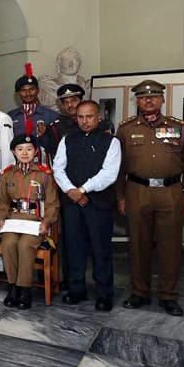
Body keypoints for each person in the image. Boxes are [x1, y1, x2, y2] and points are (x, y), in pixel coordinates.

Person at [116, 79, 184, 316]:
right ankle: (139, 293)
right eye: (143, 97)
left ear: (162, 99)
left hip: (170, 193)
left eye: (154, 95)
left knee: (170, 247)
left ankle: (168, 296)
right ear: (137, 101)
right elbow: (119, 168)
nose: (149, 100)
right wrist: (120, 197)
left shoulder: (179, 127)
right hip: (137, 192)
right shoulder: (126, 129)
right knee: (138, 246)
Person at [53, 100, 120, 311]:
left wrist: (82, 190)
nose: (85, 121)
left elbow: (109, 174)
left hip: (98, 204)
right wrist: (71, 192)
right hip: (72, 204)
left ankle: (104, 294)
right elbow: (58, 168)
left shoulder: (111, 141)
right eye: (81, 117)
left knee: (101, 250)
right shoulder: (67, 139)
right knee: (73, 247)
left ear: (98, 117)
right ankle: (76, 290)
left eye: (89, 116)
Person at [0, 134, 59, 309]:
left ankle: (25, 290)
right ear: (14, 152)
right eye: (20, 149)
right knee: (8, 243)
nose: (24, 153)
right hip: (13, 220)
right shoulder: (7, 175)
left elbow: (53, 204)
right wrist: (0, 219)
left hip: (35, 222)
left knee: (25, 245)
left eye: (29, 149)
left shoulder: (44, 175)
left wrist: (47, 222)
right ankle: (12, 287)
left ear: (36, 152)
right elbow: (1, 201)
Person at [7, 64, 59, 153]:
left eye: (32, 89)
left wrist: (44, 135)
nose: (28, 93)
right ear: (18, 93)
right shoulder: (10, 117)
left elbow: (58, 145)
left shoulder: (52, 116)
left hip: (43, 163)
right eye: (23, 90)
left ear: (38, 90)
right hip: (18, 162)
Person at [43, 84, 86, 158]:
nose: (70, 105)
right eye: (66, 102)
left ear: (81, 101)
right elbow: (54, 153)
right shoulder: (56, 127)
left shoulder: (93, 122)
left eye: (73, 101)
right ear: (62, 106)